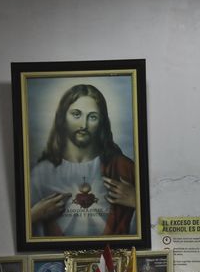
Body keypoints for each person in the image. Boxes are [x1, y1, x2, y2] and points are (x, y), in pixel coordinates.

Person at [29, 84, 136, 238]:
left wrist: (136, 200)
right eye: (76, 114)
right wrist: (34, 215)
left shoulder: (124, 168)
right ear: (62, 118)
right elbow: (24, 230)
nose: (83, 125)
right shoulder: (41, 172)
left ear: (102, 122)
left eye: (92, 117)